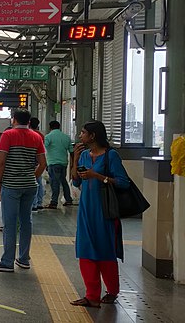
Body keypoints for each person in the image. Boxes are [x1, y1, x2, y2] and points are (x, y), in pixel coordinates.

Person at [70, 121, 130, 308]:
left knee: (105, 251)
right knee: (85, 250)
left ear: (93, 136)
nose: (80, 136)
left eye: (83, 132)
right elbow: (76, 182)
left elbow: (123, 182)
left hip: (105, 211)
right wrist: (75, 160)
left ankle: (112, 290)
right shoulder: (85, 156)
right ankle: (91, 295)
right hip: (86, 209)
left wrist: (97, 176)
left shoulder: (111, 156)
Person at [0, 109, 46, 273]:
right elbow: (42, 164)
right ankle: (24, 259)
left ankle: (7, 262)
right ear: (28, 121)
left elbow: (1, 161)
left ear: (14, 120)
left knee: (10, 224)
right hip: (30, 186)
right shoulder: (36, 137)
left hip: (11, 185)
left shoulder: (8, 135)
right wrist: (32, 177)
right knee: (26, 222)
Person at [44, 121, 74, 208]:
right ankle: (68, 200)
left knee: (54, 182)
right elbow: (71, 152)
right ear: (59, 127)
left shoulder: (48, 137)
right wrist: (73, 164)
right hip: (64, 163)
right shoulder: (66, 137)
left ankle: (54, 202)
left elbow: (43, 148)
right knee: (63, 181)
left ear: (50, 127)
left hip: (53, 163)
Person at [30, 117, 46, 211]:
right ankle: (39, 202)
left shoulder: (30, 134)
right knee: (39, 182)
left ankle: (34, 204)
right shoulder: (41, 135)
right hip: (39, 162)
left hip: (32, 163)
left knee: (33, 183)